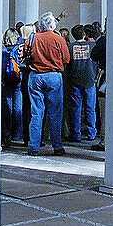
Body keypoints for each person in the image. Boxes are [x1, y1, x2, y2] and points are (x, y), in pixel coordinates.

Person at [26, 12, 70, 156]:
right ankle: (57, 146)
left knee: (36, 112)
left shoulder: (32, 38)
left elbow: (24, 55)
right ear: (52, 25)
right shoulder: (58, 39)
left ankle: (33, 146)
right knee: (55, 113)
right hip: (53, 76)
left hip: (35, 76)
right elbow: (66, 59)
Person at [65, 24, 99, 142]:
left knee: (75, 108)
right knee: (90, 107)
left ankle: (76, 133)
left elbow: (66, 63)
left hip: (74, 80)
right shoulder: (92, 46)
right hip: (89, 80)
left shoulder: (70, 47)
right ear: (84, 34)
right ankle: (91, 133)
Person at [1, 28, 25, 146]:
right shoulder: (19, 50)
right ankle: (17, 133)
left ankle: (7, 133)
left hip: (6, 80)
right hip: (17, 79)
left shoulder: (3, 52)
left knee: (7, 108)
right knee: (18, 107)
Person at [91, 28, 107, 151]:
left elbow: (94, 56)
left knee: (105, 111)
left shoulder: (104, 40)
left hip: (106, 79)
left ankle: (104, 141)